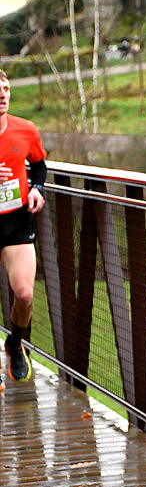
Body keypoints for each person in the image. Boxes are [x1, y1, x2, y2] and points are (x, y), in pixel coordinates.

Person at [0, 70, 47, 389]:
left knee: (25, 293)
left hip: (16, 220)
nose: (2, 95)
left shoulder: (25, 129)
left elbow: (39, 166)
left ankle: (15, 342)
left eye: (5, 89)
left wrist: (37, 189)